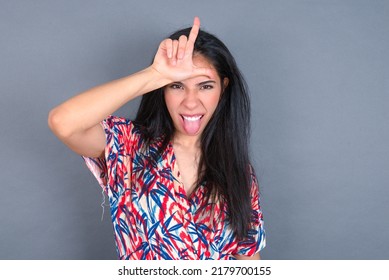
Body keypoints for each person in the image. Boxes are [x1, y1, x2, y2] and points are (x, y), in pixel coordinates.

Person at [48, 17, 265, 260]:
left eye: (205, 86)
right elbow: (64, 123)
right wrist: (155, 75)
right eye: (176, 86)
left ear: (223, 88)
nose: (191, 102)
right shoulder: (129, 146)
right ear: (162, 90)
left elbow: (249, 258)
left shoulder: (237, 170)